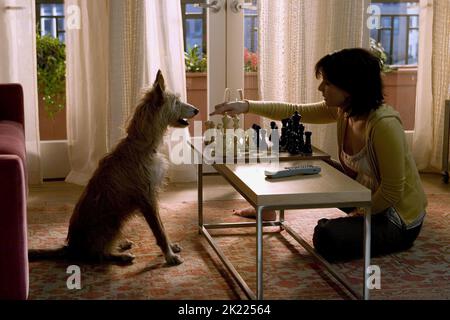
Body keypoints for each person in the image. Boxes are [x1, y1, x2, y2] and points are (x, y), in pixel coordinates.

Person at [210, 48, 427, 262]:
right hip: (364, 194)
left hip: (397, 218)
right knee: (304, 163)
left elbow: (391, 191)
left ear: (350, 87)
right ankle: (268, 210)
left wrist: (358, 214)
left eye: (328, 83)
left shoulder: (384, 125)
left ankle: (348, 229)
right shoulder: (343, 110)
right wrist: (246, 106)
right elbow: (294, 110)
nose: (321, 87)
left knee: (326, 237)